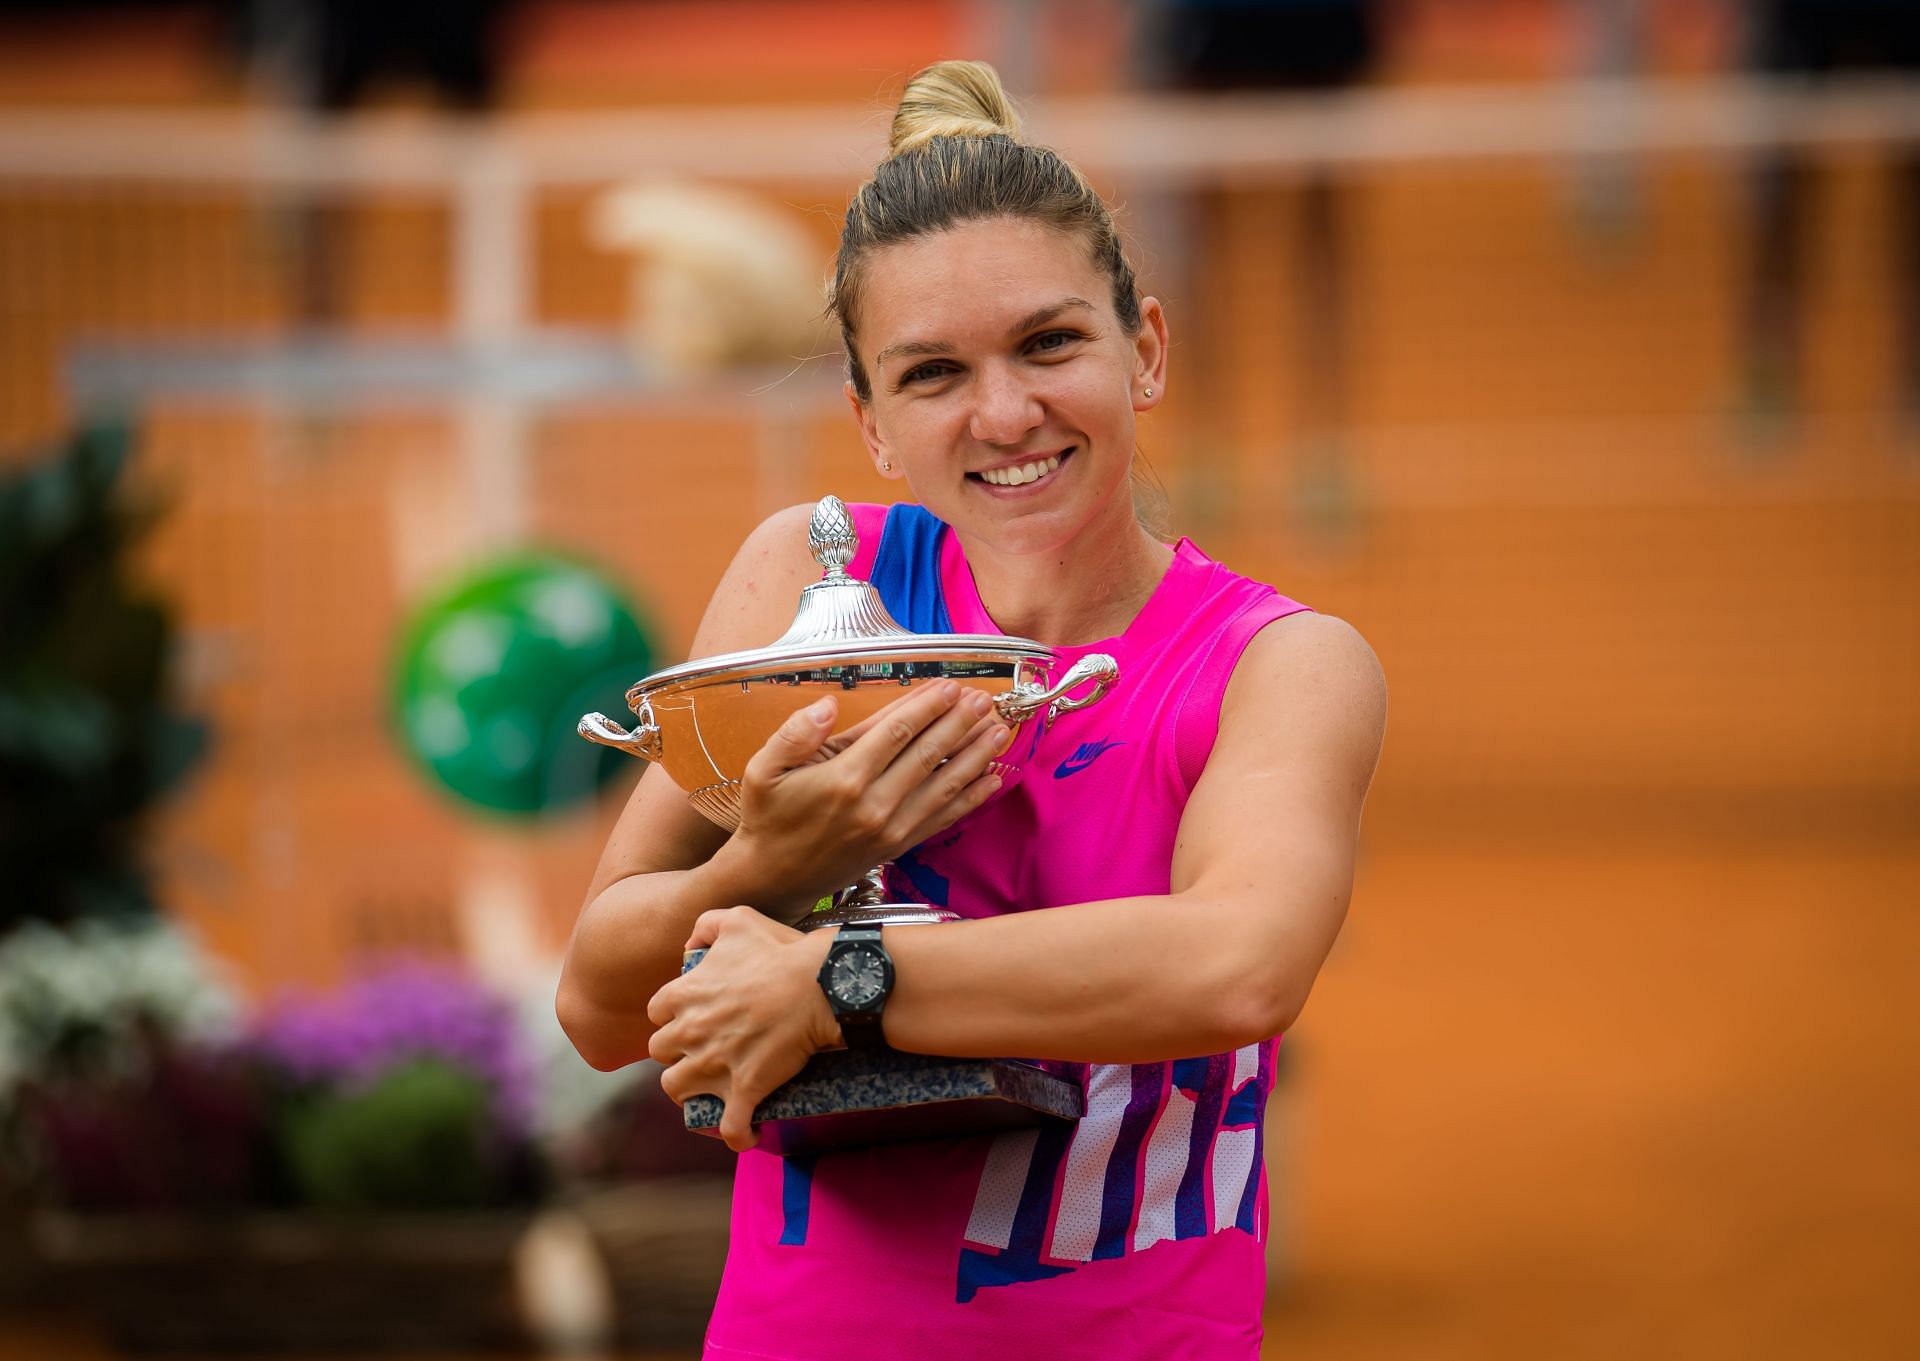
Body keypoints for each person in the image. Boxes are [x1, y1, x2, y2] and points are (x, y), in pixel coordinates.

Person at [557, 60, 1387, 1361]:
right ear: (871, 421)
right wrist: (779, 861)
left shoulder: (1277, 663)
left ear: (1147, 349)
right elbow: (601, 1005)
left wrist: (838, 979)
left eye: (1051, 342)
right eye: (934, 371)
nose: (1006, 412)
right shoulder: (807, 580)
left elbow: (1238, 961)